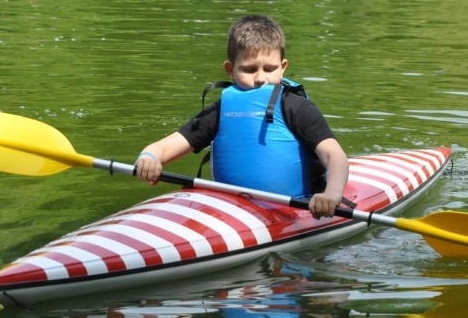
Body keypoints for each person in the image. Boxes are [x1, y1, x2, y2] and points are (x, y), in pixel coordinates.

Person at [135, 15, 348, 219]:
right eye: (249, 69)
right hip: (231, 209)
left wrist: (331, 195)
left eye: (270, 69)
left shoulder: (296, 107)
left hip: (295, 210)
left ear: (283, 68)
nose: (260, 78)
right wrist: (149, 158)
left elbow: (334, 156)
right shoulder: (220, 111)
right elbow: (162, 148)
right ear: (230, 70)